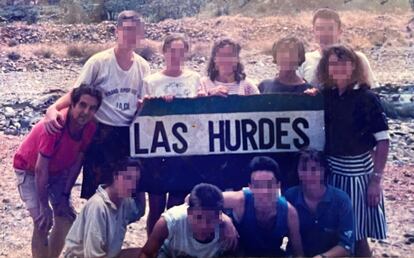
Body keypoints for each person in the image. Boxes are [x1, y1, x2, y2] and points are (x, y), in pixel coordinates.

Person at [43, 10, 150, 199]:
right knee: (97, 196)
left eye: (136, 31)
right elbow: (77, 93)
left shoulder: (143, 66)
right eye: (127, 30)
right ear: (117, 31)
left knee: (128, 198)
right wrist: (54, 108)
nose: (130, 36)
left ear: (141, 35)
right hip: (101, 132)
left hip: (128, 135)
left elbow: (143, 104)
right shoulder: (99, 62)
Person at [13, 85, 102, 258]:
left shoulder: (90, 127)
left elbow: (78, 161)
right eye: (82, 105)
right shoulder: (57, 124)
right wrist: (44, 205)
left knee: (66, 216)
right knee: (42, 222)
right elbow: (40, 169)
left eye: (92, 108)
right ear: (73, 104)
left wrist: (64, 195)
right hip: (29, 169)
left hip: (58, 170)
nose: (86, 112)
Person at [317, 44, 389, 256]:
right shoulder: (326, 96)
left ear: (353, 66)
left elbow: (383, 141)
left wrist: (376, 180)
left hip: (358, 175)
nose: (338, 67)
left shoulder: (367, 98)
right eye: (333, 63)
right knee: (334, 233)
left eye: (343, 62)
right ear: (327, 67)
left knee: (356, 234)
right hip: (331, 172)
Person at [142, 34, 203, 237]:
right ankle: (152, 247)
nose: (176, 56)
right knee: (156, 205)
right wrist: (154, 104)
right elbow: (142, 116)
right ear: (164, 52)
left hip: (186, 152)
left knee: (177, 205)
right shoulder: (151, 81)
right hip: (159, 151)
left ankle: (173, 245)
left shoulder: (194, 78)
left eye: (181, 52)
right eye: (172, 51)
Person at [222, 156, 303, 256]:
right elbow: (201, 199)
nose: (264, 191)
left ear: (278, 185)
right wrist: (223, 218)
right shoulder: (240, 200)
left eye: (269, 184)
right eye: (258, 185)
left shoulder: (290, 213)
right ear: (250, 187)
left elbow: (299, 253)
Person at [64, 158, 145, 258]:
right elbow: (93, 255)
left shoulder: (124, 201)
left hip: (108, 255)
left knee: (145, 252)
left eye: (135, 182)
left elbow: (139, 211)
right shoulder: (98, 206)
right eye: (127, 178)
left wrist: (142, 187)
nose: (131, 185)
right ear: (116, 176)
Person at [284, 148, 354, 257]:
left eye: (314, 169)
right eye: (303, 169)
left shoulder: (341, 200)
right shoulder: (290, 196)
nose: (309, 174)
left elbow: (346, 244)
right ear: (297, 172)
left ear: (323, 171)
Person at [140, 183, 237, 258]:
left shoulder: (227, 235)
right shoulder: (170, 222)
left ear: (219, 217)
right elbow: (147, 254)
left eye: (210, 220)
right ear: (189, 213)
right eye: (199, 218)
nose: (203, 226)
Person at [297, 8, 377, 88]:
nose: (325, 34)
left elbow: (374, 90)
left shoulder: (358, 59)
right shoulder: (304, 60)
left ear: (339, 32)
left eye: (331, 29)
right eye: (320, 29)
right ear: (313, 31)